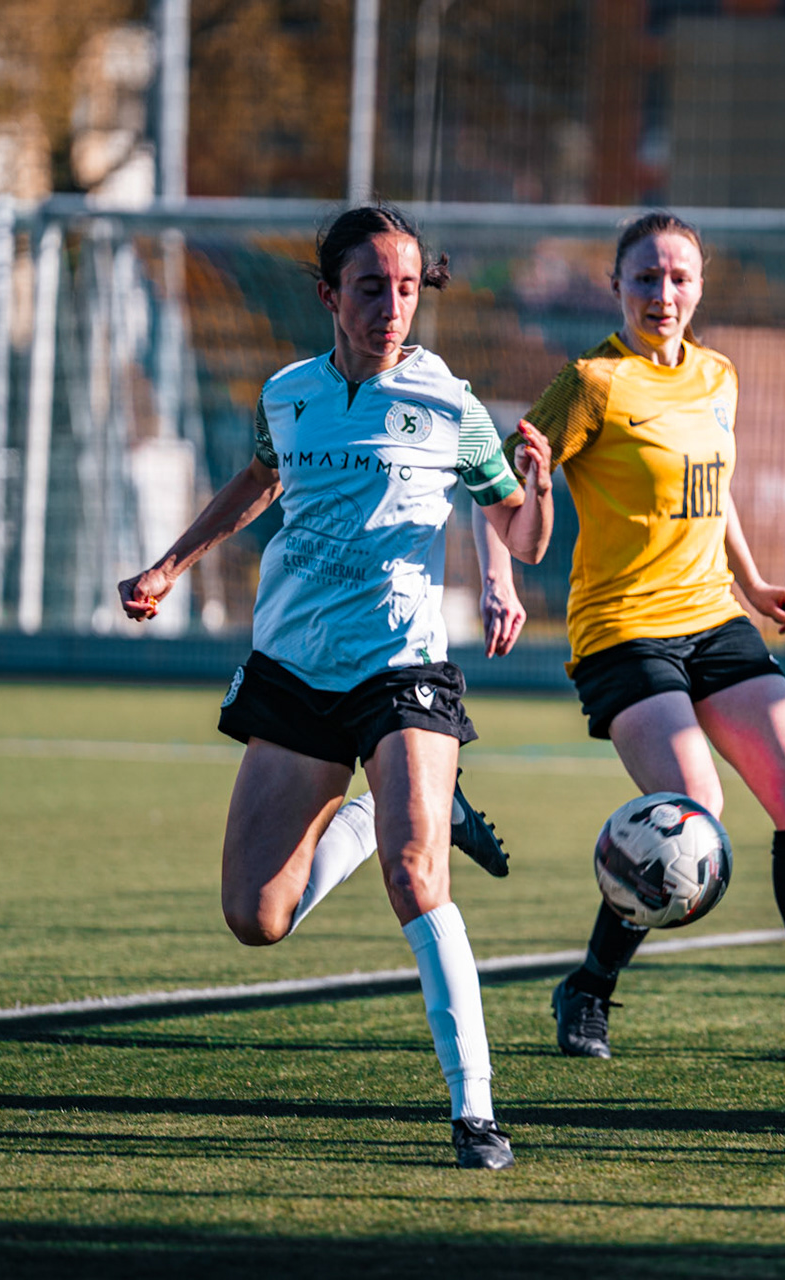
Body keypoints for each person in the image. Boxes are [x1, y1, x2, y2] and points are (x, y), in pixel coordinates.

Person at [117, 204, 554, 1170]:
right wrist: (170, 565)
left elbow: (516, 528)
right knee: (255, 918)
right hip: (295, 667)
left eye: (406, 289)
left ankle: (475, 1112)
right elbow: (262, 481)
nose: (392, 307)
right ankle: (376, 814)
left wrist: (537, 493)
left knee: (415, 877)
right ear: (328, 295)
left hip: (402, 668)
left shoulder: (449, 402)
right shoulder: (288, 394)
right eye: (370, 288)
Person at [486, 210, 785, 1064]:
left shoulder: (718, 377)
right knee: (692, 816)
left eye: (679, 277)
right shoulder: (588, 383)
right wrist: (520, 525)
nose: (663, 293)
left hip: (712, 617)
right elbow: (500, 495)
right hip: (622, 631)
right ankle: (590, 990)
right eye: (645, 277)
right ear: (616, 286)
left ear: (699, 287)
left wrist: (753, 585)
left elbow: (709, 495)